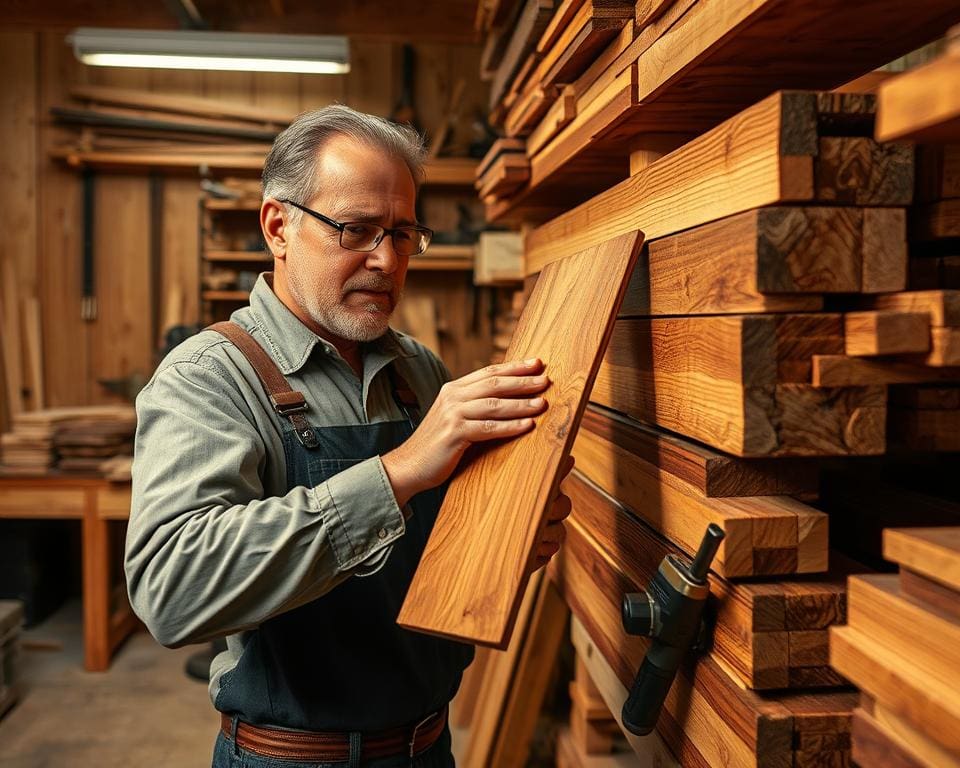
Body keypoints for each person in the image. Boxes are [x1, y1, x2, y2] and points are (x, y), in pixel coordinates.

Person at [125, 104, 572, 768]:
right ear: (279, 226)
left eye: (402, 233)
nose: (387, 260)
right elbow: (173, 590)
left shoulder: (420, 372)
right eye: (357, 230)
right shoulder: (207, 378)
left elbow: (431, 560)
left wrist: (502, 543)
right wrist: (398, 472)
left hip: (428, 745)